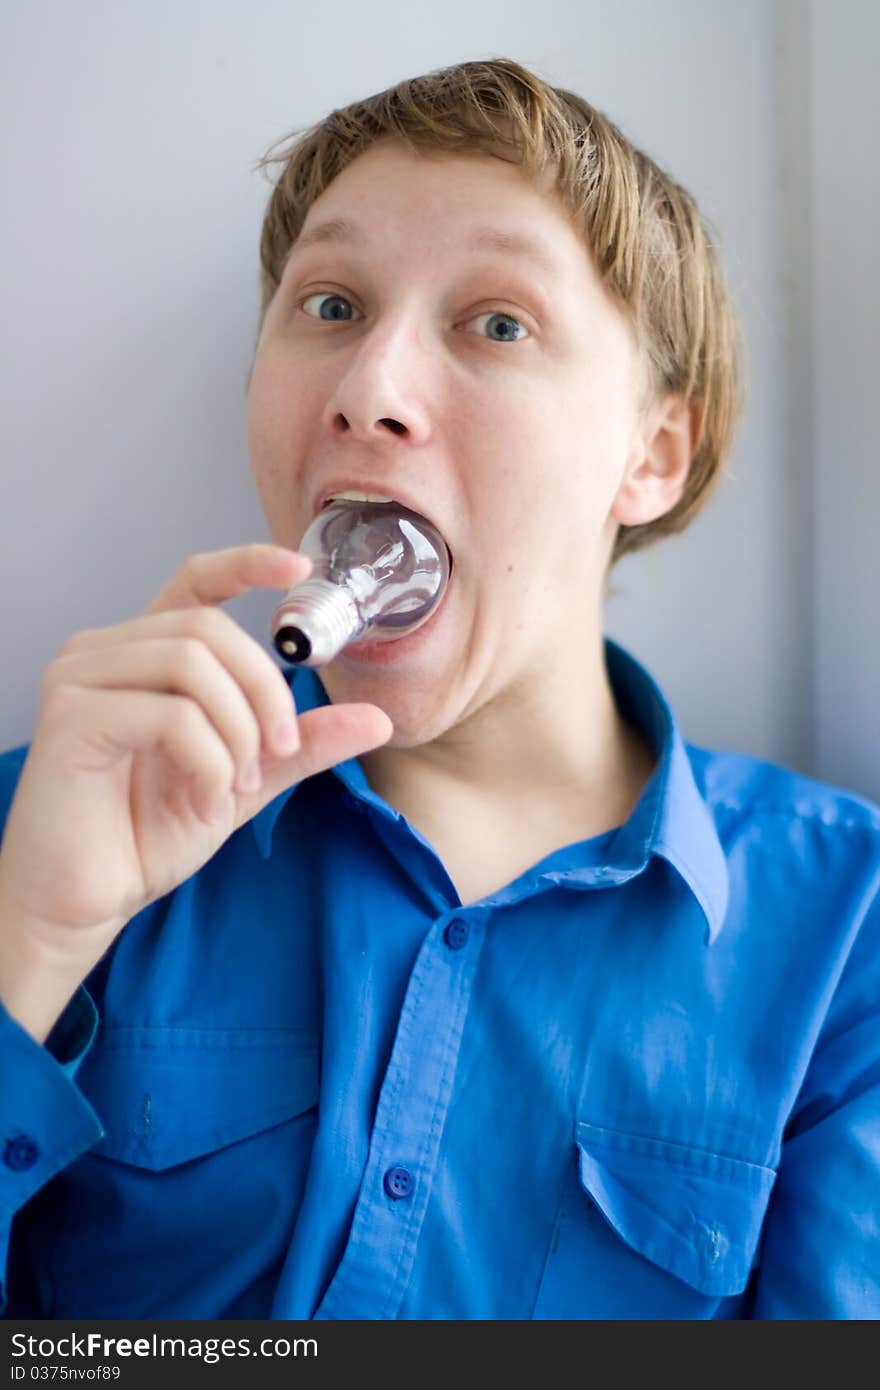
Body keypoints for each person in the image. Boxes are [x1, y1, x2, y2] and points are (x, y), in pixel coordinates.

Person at [0, 56, 877, 1321]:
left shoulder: (850, 934)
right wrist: (24, 954)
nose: (367, 393)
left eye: (497, 323)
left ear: (652, 455)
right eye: (331, 305)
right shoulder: (51, 828)